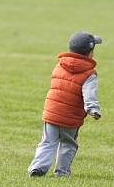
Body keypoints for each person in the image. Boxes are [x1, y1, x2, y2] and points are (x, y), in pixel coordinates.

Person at [28, 31, 102, 178]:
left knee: (47, 142)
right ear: (90, 52)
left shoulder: (59, 66)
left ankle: (37, 168)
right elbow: (89, 94)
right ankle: (62, 172)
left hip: (51, 112)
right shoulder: (89, 74)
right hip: (71, 117)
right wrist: (92, 109)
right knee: (68, 144)